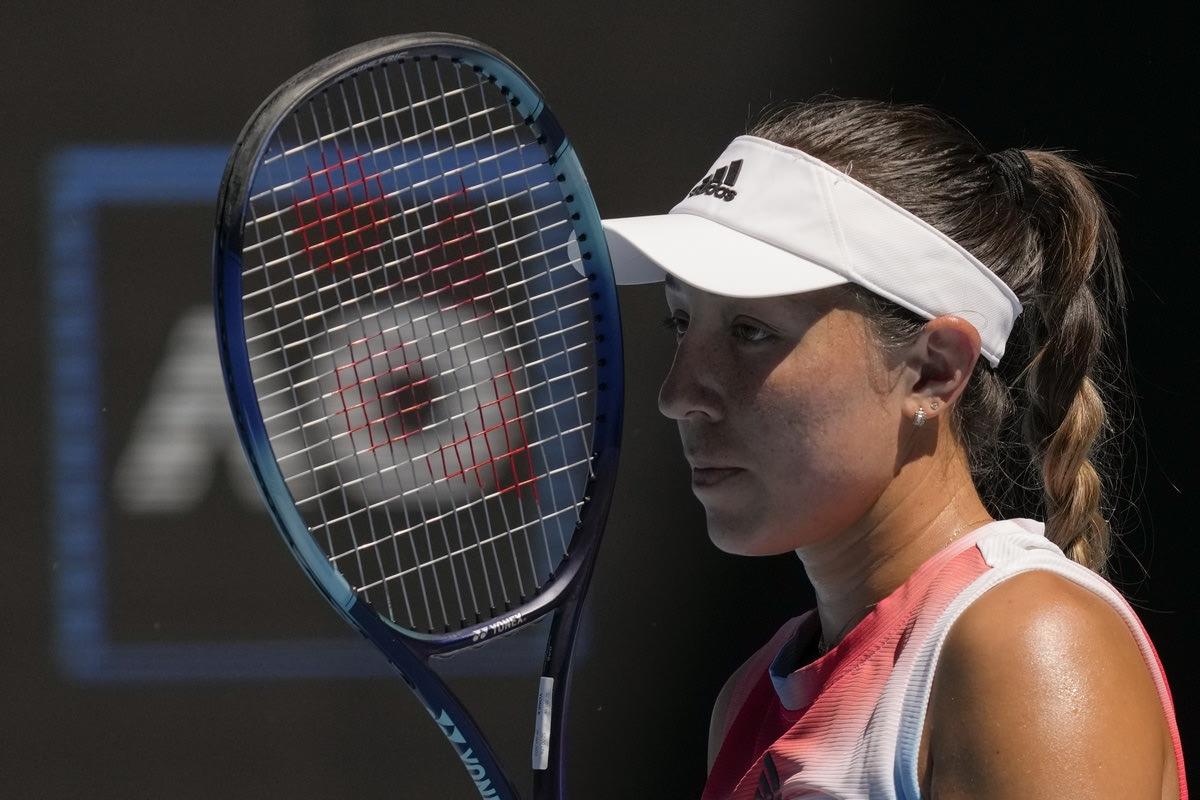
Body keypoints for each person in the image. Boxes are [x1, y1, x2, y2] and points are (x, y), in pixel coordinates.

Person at [601, 99, 1187, 799]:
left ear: (935, 370)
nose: (678, 394)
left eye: (751, 331)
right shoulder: (746, 700)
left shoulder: (1028, 641)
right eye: (680, 320)